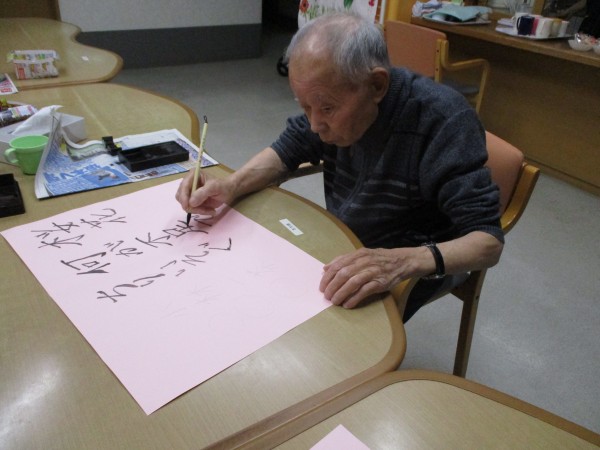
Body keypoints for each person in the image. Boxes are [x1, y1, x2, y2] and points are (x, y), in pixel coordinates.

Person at [176, 12, 504, 322]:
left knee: (325, 338)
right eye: (305, 107)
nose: (315, 124)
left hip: (413, 263)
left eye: (327, 109)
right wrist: (230, 185)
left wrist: (402, 261)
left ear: (377, 86)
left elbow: (487, 242)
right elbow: (287, 150)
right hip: (346, 239)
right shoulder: (331, 98)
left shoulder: (442, 121)